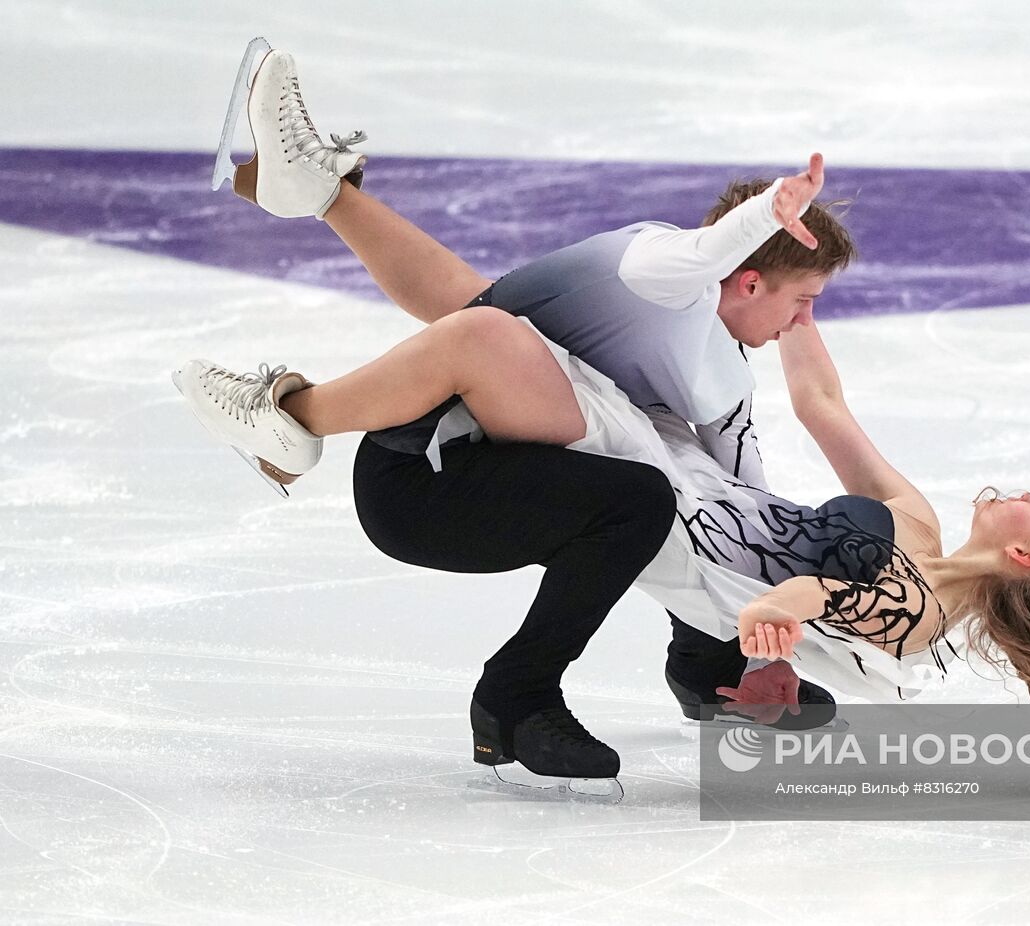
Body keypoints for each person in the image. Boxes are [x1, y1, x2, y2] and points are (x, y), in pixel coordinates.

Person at [184, 40, 857, 788]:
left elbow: (735, 514)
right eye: (804, 302)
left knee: (665, 476)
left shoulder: (719, 384)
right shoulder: (664, 273)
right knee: (587, 434)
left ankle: (704, 665)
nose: (803, 325)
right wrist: (771, 208)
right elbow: (706, 257)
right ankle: (292, 417)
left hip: (484, 454)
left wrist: (753, 650)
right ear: (753, 282)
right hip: (422, 481)